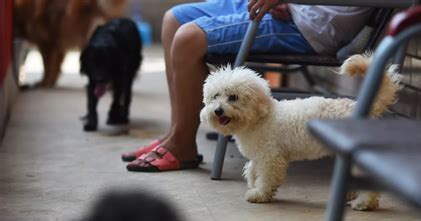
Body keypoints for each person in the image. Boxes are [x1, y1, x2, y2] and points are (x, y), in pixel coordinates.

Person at [122, 0, 373, 172]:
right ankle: (176, 132)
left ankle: (182, 145)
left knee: (188, 38)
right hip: (292, 8)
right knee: (173, 19)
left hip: (312, 26)